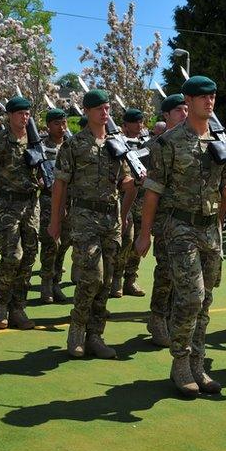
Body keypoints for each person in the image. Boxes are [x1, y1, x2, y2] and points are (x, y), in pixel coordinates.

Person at [135, 76, 226, 397]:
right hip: (179, 228)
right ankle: (180, 363)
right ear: (187, 102)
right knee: (190, 297)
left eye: (213, 96)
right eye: (202, 97)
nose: (209, 101)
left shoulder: (222, 143)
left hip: (210, 229)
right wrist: (144, 234)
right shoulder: (169, 142)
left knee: (205, 301)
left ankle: (198, 364)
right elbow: (152, 192)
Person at [49, 89, 136, 358]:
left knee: (107, 279)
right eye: (98, 108)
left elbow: (125, 182)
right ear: (86, 112)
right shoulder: (73, 146)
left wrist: (136, 184)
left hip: (111, 219)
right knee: (91, 277)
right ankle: (76, 330)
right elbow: (60, 183)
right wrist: (55, 219)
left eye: (107, 107)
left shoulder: (116, 145)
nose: (104, 112)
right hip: (84, 218)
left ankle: (95, 334)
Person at [0, 96, 42, 330]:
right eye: (20, 114)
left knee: (30, 257)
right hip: (6, 206)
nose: (25, 117)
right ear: (10, 116)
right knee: (13, 257)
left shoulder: (35, 142)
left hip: (31, 205)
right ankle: (1, 304)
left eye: (27, 114)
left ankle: (18, 307)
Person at [143, 93, 188, 348]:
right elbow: (149, 188)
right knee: (166, 272)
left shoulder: (192, 141)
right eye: (179, 110)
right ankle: (158, 317)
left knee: (184, 276)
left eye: (185, 109)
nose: (184, 114)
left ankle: (171, 317)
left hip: (188, 222)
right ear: (166, 115)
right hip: (165, 220)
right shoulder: (155, 146)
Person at [111, 107, 148, 298]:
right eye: (135, 122)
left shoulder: (145, 144)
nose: (139, 125)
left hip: (142, 200)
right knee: (124, 242)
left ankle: (130, 280)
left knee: (138, 245)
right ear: (125, 125)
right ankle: (116, 279)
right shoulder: (118, 144)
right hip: (124, 198)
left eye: (141, 121)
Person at [36, 108, 71, 303]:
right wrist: (38, 180)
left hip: (70, 202)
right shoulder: (40, 147)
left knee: (65, 243)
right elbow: (32, 170)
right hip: (49, 201)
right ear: (48, 125)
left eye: (64, 123)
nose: (61, 127)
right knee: (50, 244)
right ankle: (46, 285)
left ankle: (56, 282)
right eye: (57, 123)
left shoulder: (72, 145)